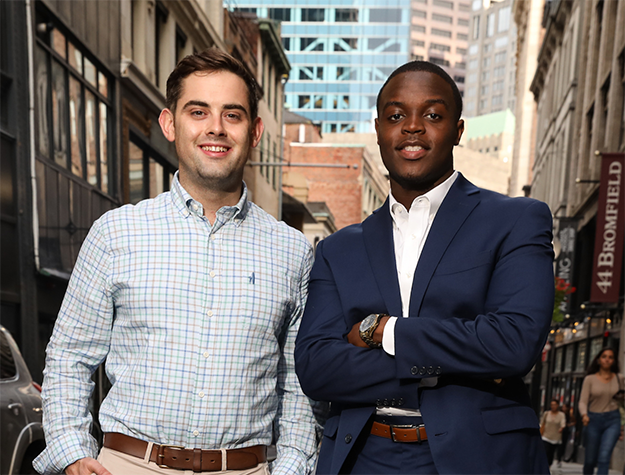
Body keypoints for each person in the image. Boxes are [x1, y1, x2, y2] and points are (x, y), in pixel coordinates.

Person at [33, 48, 319, 475]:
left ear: (255, 131)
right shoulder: (116, 233)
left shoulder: (293, 251)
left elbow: (297, 386)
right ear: (170, 123)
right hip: (127, 466)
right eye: (198, 111)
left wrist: (293, 467)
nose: (216, 128)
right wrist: (73, 452)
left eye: (233, 115)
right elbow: (70, 356)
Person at [294, 60, 554, 475]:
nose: (412, 127)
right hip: (363, 458)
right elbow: (317, 368)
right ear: (379, 128)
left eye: (432, 115)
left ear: (458, 130)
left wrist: (384, 331)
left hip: (479, 458)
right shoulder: (338, 249)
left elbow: (513, 343)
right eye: (396, 116)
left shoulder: (516, 220)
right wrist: (449, 365)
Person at [579, 347, 624, 475]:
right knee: (590, 460)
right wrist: (584, 414)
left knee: (604, 458)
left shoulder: (619, 379)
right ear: (598, 360)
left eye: (610, 357)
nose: (607, 360)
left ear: (614, 361)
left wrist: (622, 425)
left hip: (613, 420)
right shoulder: (590, 379)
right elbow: (582, 401)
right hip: (593, 419)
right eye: (604, 357)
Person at [541, 399, 566, 466]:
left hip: (555, 437)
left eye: (555, 405)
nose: (553, 406)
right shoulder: (546, 413)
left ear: (557, 405)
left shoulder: (561, 415)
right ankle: (544, 466)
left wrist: (562, 427)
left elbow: (563, 422)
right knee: (545, 452)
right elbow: (542, 423)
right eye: (552, 405)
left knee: (551, 453)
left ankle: (548, 466)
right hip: (546, 436)